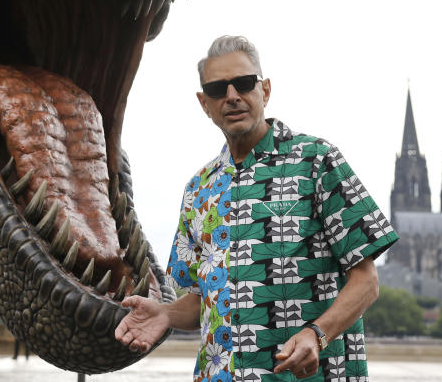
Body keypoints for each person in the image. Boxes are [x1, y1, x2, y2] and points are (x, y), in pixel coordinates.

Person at [115, 35, 398, 382]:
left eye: (244, 84)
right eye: (218, 89)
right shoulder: (198, 189)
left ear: (264, 90)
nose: (232, 96)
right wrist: (165, 314)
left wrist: (317, 334)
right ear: (205, 104)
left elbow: (366, 282)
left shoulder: (317, 160)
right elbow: (202, 299)